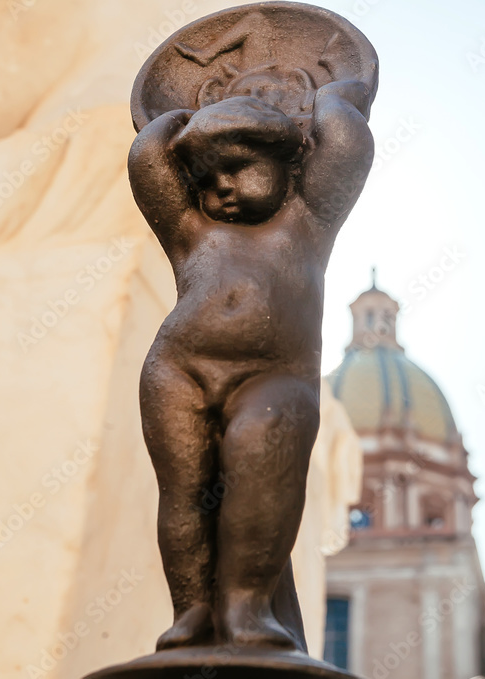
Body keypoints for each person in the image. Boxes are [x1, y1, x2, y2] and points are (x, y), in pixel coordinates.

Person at [128, 77, 374, 651]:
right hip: (179, 369)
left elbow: (347, 147)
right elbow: (147, 166)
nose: (221, 188)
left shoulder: (307, 219)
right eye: (207, 179)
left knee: (263, 474)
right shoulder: (191, 230)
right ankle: (191, 610)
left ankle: (247, 605)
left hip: (274, 375)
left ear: (287, 159)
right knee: (184, 494)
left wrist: (333, 97)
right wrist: (175, 119)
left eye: (237, 168)